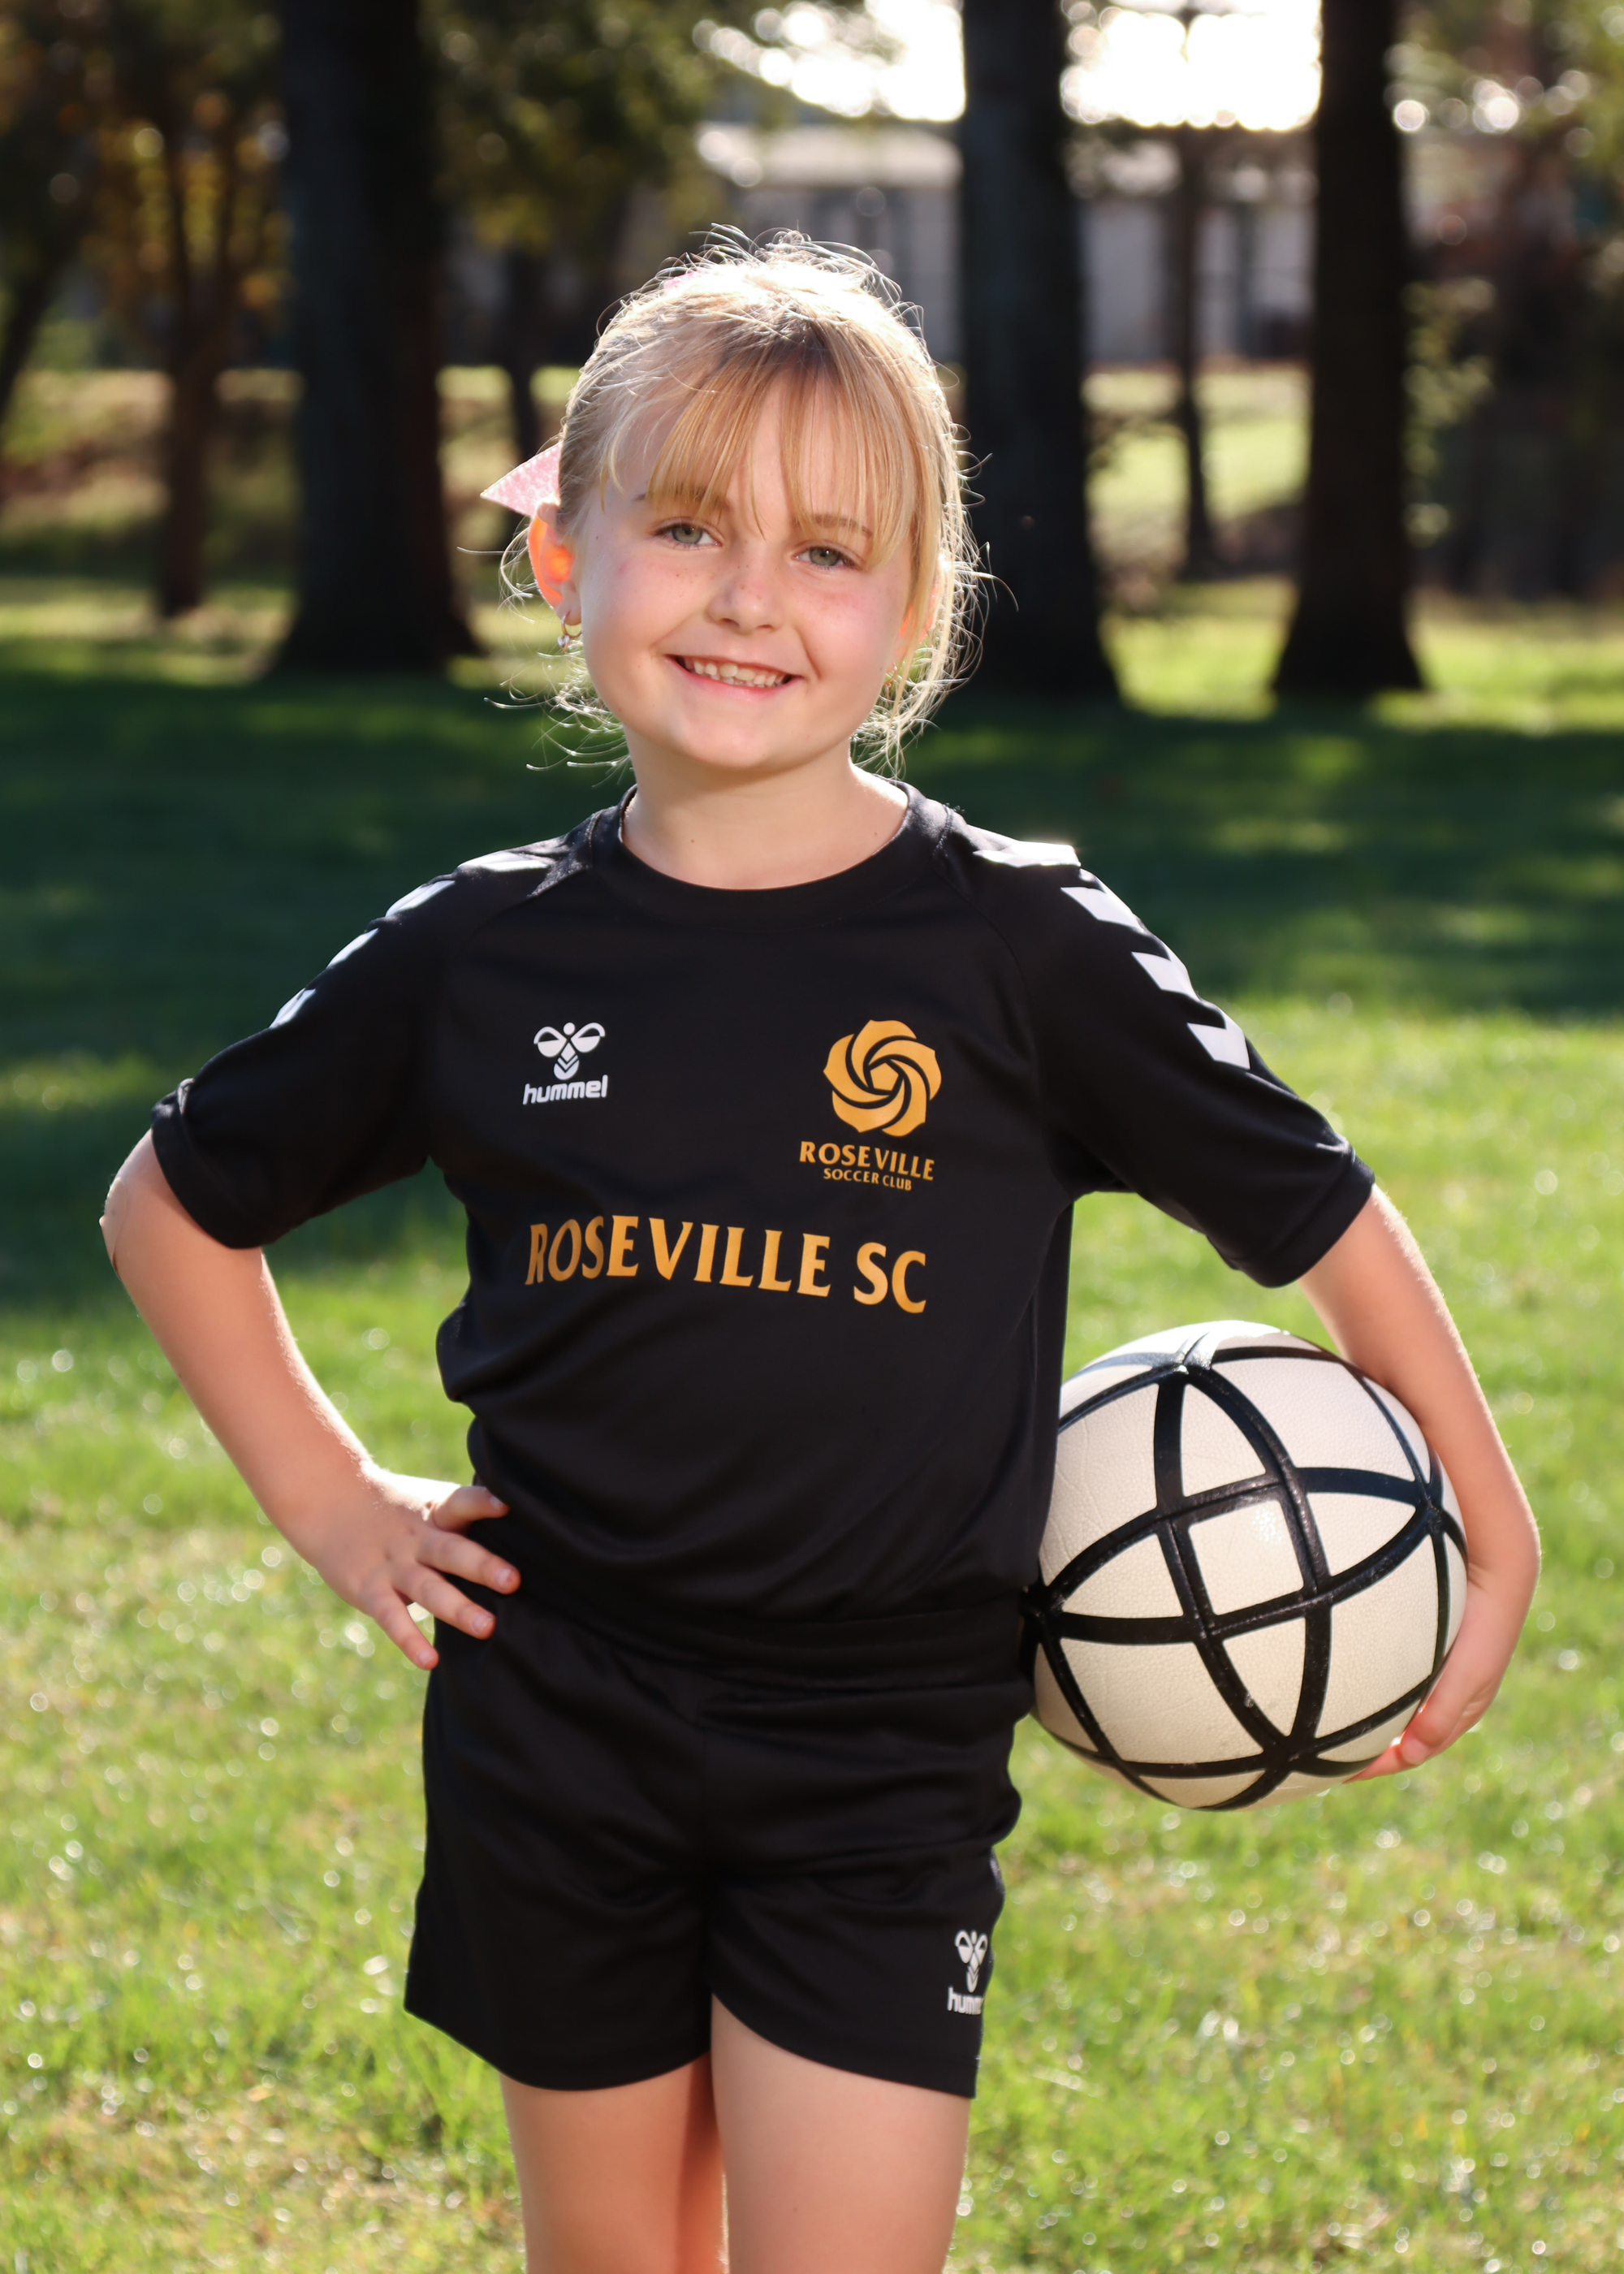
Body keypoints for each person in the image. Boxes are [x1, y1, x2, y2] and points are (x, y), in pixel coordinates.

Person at [100, 240, 1538, 2274]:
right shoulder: (478, 954)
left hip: (880, 1756)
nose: (748, 596)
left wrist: (1487, 1511)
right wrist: (337, 1503)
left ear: (918, 608)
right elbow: (169, 1202)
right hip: (556, 1723)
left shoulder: (1018, 949)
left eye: (827, 549)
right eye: (685, 525)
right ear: (562, 557)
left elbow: (1316, 1202)